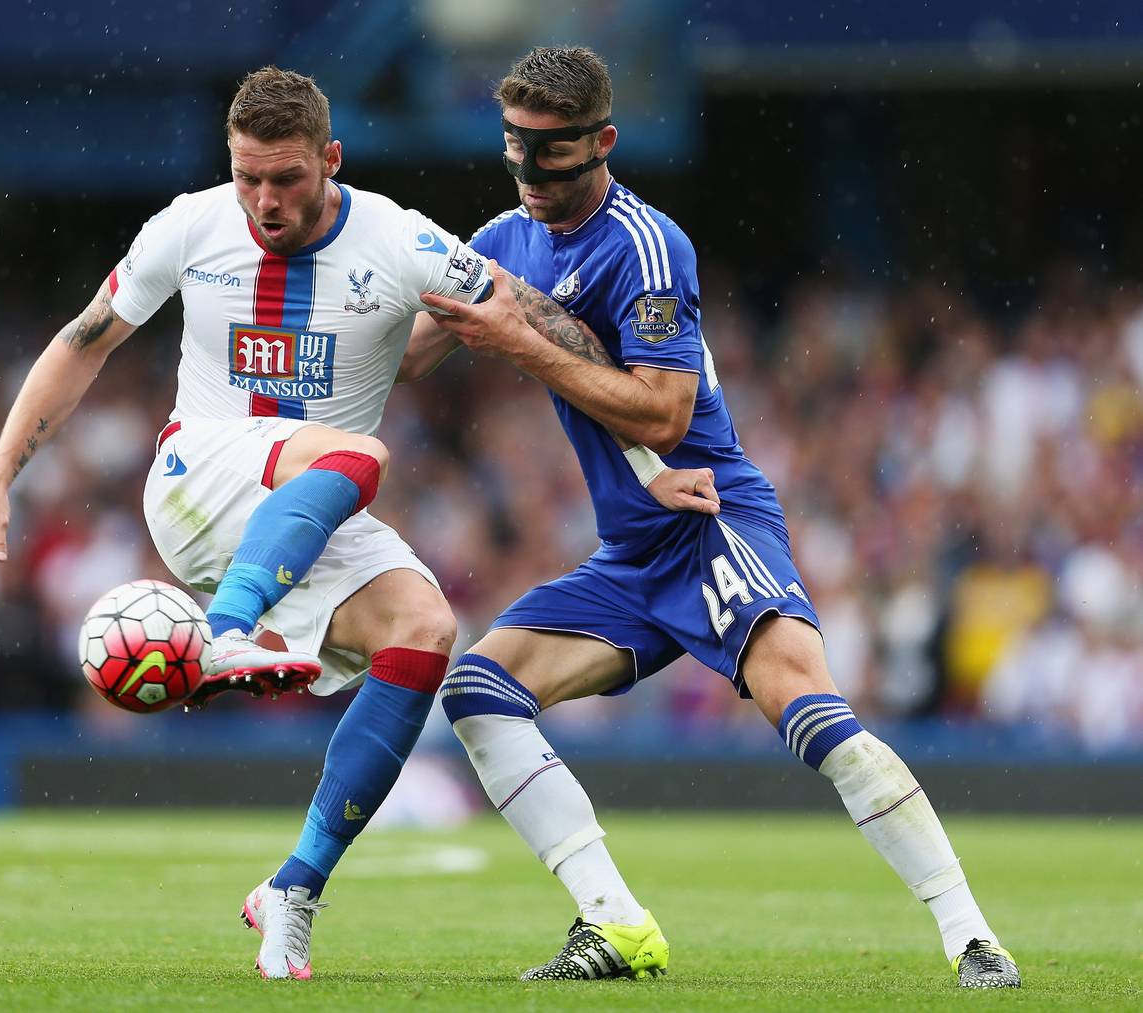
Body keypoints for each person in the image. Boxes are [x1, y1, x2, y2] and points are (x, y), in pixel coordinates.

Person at [0, 65, 718, 980]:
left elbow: (541, 328)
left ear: (330, 159)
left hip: (314, 506)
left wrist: (647, 461)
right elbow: (82, 342)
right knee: (361, 455)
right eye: (246, 176)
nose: (263, 199)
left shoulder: (402, 241)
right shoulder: (188, 225)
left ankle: (293, 889)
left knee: (424, 633)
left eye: (286, 178)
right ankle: (224, 636)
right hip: (200, 479)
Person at [406, 46, 1020, 989]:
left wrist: (520, 338)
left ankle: (971, 936)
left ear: (602, 141)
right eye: (513, 146)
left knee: (808, 713)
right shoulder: (500, 238)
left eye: (551, 149)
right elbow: (406, 359)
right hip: (629, 551)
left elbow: (663, 414)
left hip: (710, 521)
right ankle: (611, 922)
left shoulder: (647, 245)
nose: (528, 169)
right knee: (480, 691)